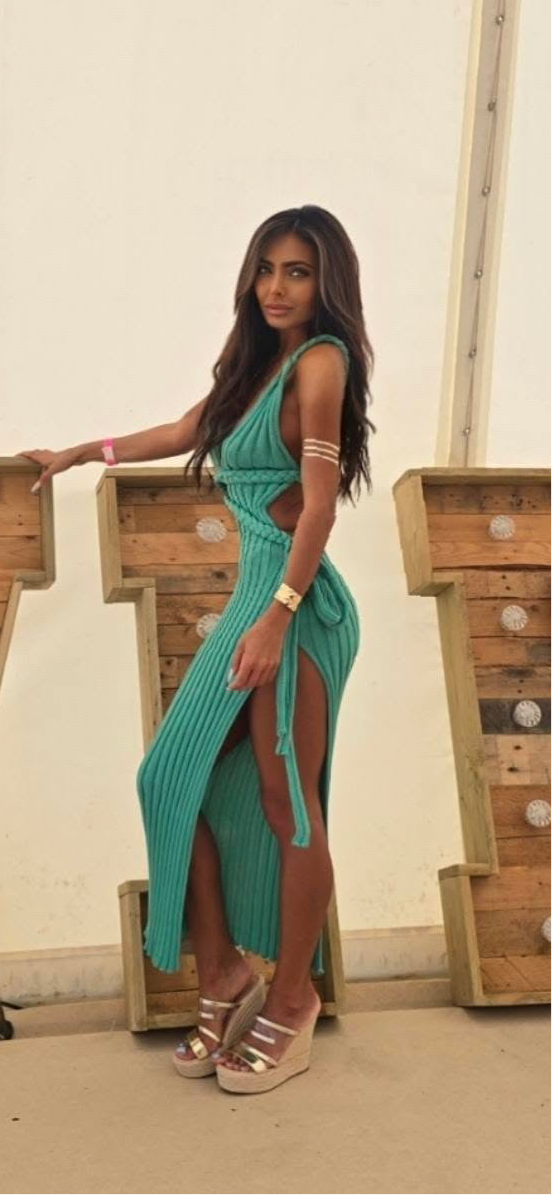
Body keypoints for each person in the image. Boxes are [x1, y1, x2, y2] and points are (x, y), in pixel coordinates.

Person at [18, 203, 376, 1094]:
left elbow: (320, 506)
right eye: (266, 268)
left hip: (299, 606)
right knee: (168, 776)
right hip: (257, 599)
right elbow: (182, 433)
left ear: (326, 281)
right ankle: (223, 972)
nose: (276, 287)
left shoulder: (321, 361)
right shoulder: (255, 368)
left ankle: (293, 998)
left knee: (287, 800)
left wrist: (279, 616)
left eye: (297, 271)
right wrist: (84, 451)